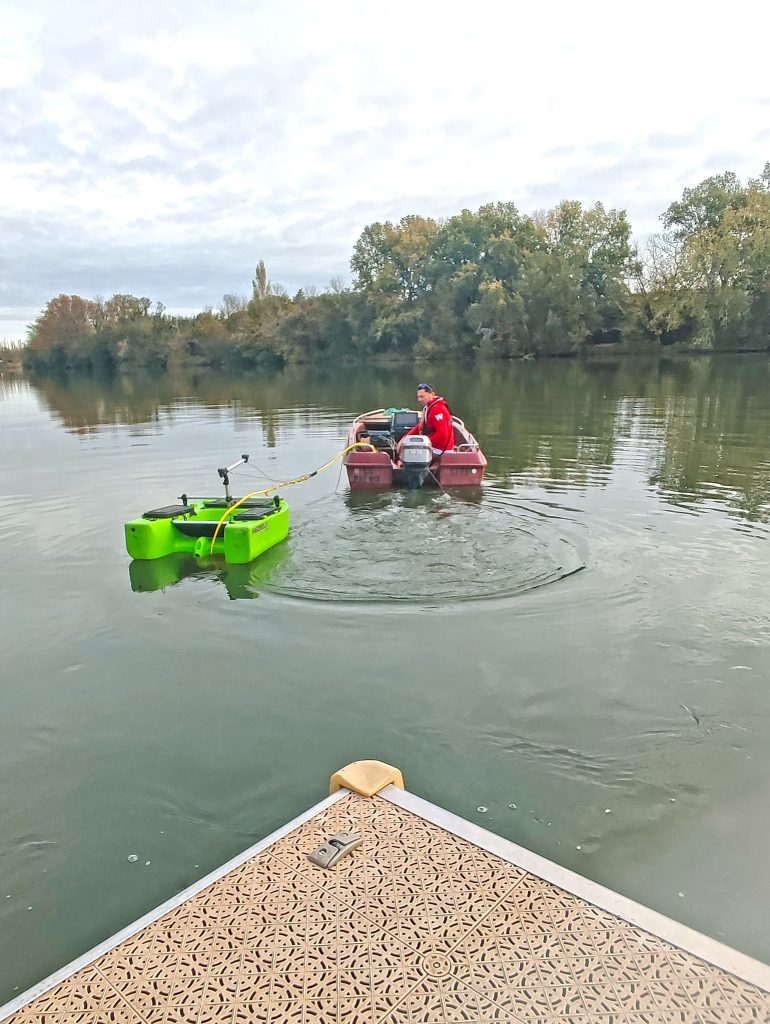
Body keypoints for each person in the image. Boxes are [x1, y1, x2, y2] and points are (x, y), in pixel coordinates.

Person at [396, 383, 454, 463]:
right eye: (418, 397)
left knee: (408, 453)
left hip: (441, 450)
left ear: (432, 394)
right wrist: (405, 438)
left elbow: (442, 434)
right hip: (434, 447)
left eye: (422, 397)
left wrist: (422, 445)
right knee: (406, 449)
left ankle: (401, 467)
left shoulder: (437, 409)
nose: (419, 400)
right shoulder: (429, 407)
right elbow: (420, 426)